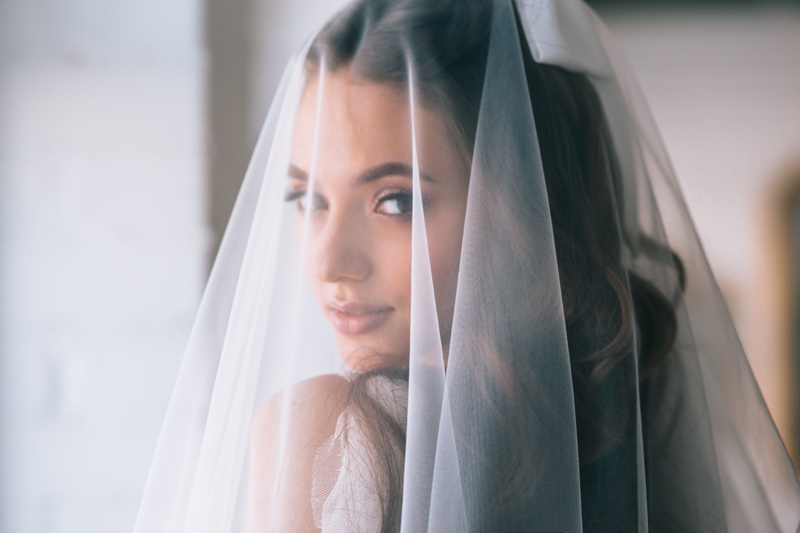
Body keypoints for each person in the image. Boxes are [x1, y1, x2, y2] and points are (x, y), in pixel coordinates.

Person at [134, 0, 800, 532]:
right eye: (306, 198)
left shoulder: (325, 432)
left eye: (395, 201)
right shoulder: (628, 409)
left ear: (516, 205)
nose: (329, 260)